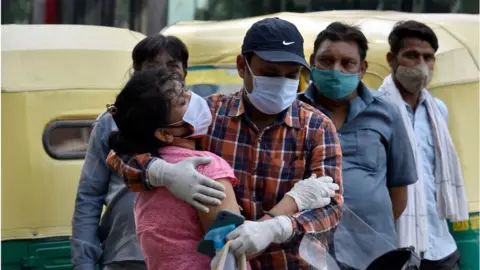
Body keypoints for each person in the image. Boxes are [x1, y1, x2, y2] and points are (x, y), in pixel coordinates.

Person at [107, 17, 344, 270]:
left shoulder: (316, 127)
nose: (281, 83)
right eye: (270, 73)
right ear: (242, 66)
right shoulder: (210, 116)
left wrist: (280, 228)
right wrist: (162, 173)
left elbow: (330, 206)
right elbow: (122, 153)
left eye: (291, 75)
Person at [70, 34, 211, 270]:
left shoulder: (201, 120)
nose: (164, 74)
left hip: (185, 257)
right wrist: (84, 262)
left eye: (173, 66)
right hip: (125, 256)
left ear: (185, 73)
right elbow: (89, 196)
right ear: (137, 72)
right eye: (153, 67)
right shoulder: (111, 123)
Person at [297, 22, 418, 270]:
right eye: (326, 61)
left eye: (347, 63)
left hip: (373, 255)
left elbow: (398, 192)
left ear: (362, 69)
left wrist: (366, 228)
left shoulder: (387, 113)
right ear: (312, 62)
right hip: (308, 253)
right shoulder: (294, 113)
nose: (335, 70)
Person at [379, 20, 468, 270]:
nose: (421, 64)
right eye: (411, 55)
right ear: (391, 58)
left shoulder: (438, 110)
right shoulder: (374, 110)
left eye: (428, 57)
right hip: (395, 246)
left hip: (440, 244)